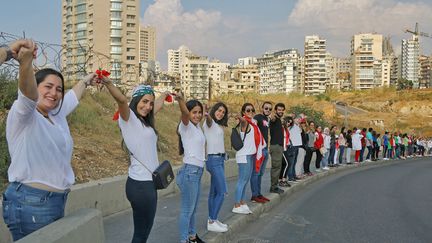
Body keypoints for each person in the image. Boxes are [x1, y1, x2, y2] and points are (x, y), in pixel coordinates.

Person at [2, 40, 97, 241]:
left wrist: (88, 80)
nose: (54, 93)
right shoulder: (25, 113)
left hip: (55, 201)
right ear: (36, 87)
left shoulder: (57, 115)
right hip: (30, 203)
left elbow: (75, 95)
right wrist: (23, 62)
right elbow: (27, 94)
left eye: (59, 89)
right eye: (48, 87)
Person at [101, 79, 170, 242]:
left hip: (147, 183)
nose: (148, 106)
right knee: (141, 234)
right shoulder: (128, 119)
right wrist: (108, 83)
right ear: (136, 100)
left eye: (150, 103)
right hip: (141, 185)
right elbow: (122, 100)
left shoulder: (144, 122)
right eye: (144, 102)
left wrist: (165, 94)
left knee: (144, 231)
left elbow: (157, 106)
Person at [175, 95, 206, 243]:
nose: (198, 115)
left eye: (200, 112)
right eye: (194, 112)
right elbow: (184, 114)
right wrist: (181, 100)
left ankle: (192, 236)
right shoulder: (185, 126)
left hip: (197, 172)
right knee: (187, 210)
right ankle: (183, 240)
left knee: (193, 209)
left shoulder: (197, 127)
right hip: (190, 172)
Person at [203, 102, 229, 233]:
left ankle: (212, 219)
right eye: (218, 110)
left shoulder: (218, 125)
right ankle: (212, 220)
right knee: (222, 191)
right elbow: (207, 119)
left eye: (223, 112)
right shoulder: (210, 122)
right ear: (214, 111)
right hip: (213, 160)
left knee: (214, 192)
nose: (220, 113)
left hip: (220, 159)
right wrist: (206, 113)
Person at [232, 103, 260, 214]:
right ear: (243, 112)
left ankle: (242, 202)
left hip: (249, 155)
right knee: (242, 180)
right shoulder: (245, 123)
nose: (250, 112)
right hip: (244, 156)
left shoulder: (253, 124)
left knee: (245, 180)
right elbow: (243, 122)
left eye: (252, 110)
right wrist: (240, 118)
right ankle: (236, 204)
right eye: (248, 110)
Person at [252, 102, 273, 203]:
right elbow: (252, 125)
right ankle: (254, 195)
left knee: (260, 173)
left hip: (265, 149)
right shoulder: (258, 117)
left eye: (270, 109)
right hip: (259, 150)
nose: (268, 110)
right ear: (262, 108)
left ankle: (259, 194)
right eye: (266, 108)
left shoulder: (267, 119)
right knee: (256, 173)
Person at [268, 103, 286, 194]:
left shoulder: (279, 120)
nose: (281, 111)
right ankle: (273, 187)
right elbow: (272, 118)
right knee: (276, 167)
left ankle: (275, 186)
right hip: (275, 146)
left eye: (282, 110)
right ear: (275, 110)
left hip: (279, 146)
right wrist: (272, 117)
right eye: (279, 109)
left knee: (278, 166)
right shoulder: (274, 119)